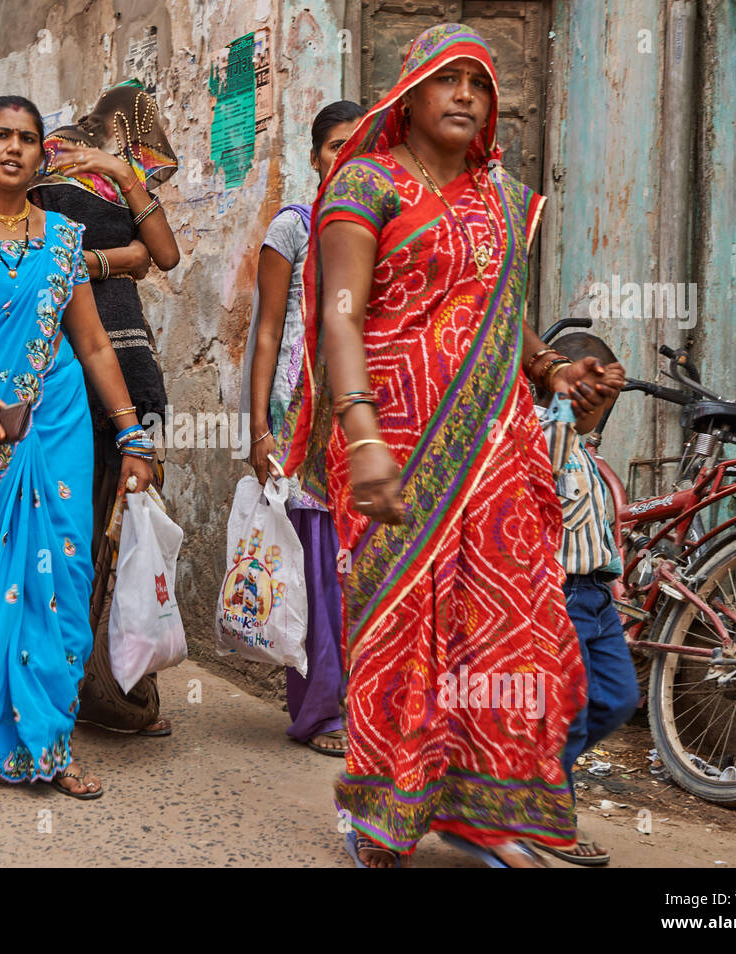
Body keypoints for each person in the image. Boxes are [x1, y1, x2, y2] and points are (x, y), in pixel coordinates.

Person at [278, 23, 618, 868]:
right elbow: (340, 315)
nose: (466, 95)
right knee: (400, 627)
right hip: (395, 435)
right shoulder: (368, 183)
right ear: (410, 91)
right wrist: (358, 434)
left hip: (498, 442)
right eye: (448, 79)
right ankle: (385, 810)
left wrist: (551, 368)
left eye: (481, 83)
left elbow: (495, 307)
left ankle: (486, 805)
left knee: (508, 624)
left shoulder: (502, 196)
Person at [0, 95, 153, 798]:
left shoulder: (64, 239)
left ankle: (47, 738)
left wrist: (132, 431)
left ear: (41, 154)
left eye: (27, 138)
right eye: (1, 136)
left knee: (58, 575)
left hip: (57, 423)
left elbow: (94, 342)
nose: (14, 148)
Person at [29, 79, 180, 737]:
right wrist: (114, 261)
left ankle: (111, 689)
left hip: (121, 367)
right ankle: (74, 683)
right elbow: (46, 253)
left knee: (124, 522)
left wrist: (122, 175)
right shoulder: (57, 157)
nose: (149, 145)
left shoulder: (125, 170)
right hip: (73, 364)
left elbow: (163, 256)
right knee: (80, 523)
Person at [242, 100, 364, 758]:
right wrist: (259, 430)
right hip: (302, 418)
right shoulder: (294, 227)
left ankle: (368, 702)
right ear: (315, 155)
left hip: (366, 416)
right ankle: (319, 711)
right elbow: (265, 333)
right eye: (333, 145)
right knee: (315, 570)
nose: (346, 155)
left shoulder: (382, 226)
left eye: (359, 144)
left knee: (360, 565)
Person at [534, 332, 637, 865]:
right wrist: (569, 394)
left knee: (618, 700)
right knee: (567, 712)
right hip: (562, 598)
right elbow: (558, 419)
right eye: (589, 396)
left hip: (597, 600)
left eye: (606, 401)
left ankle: (536, 771)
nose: (598, 408)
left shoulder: (591, 463)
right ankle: (550, 815)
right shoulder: (545, 434)